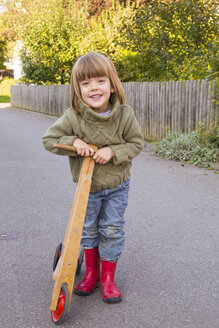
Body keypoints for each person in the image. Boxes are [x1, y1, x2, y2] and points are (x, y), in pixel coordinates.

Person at [42, 52, 144, 303]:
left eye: (100, 80)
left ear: (111, 84)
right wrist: (74, 141)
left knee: (112, 229)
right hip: (87, 188)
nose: (93, 88)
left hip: (117, 185)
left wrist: (113, 151)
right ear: (77, 89)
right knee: (87, 229)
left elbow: (136, 143)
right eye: (85, 83)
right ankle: (91, 275)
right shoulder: (73, 116)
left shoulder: (124, 115)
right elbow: (49, 140)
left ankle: (108, 279)